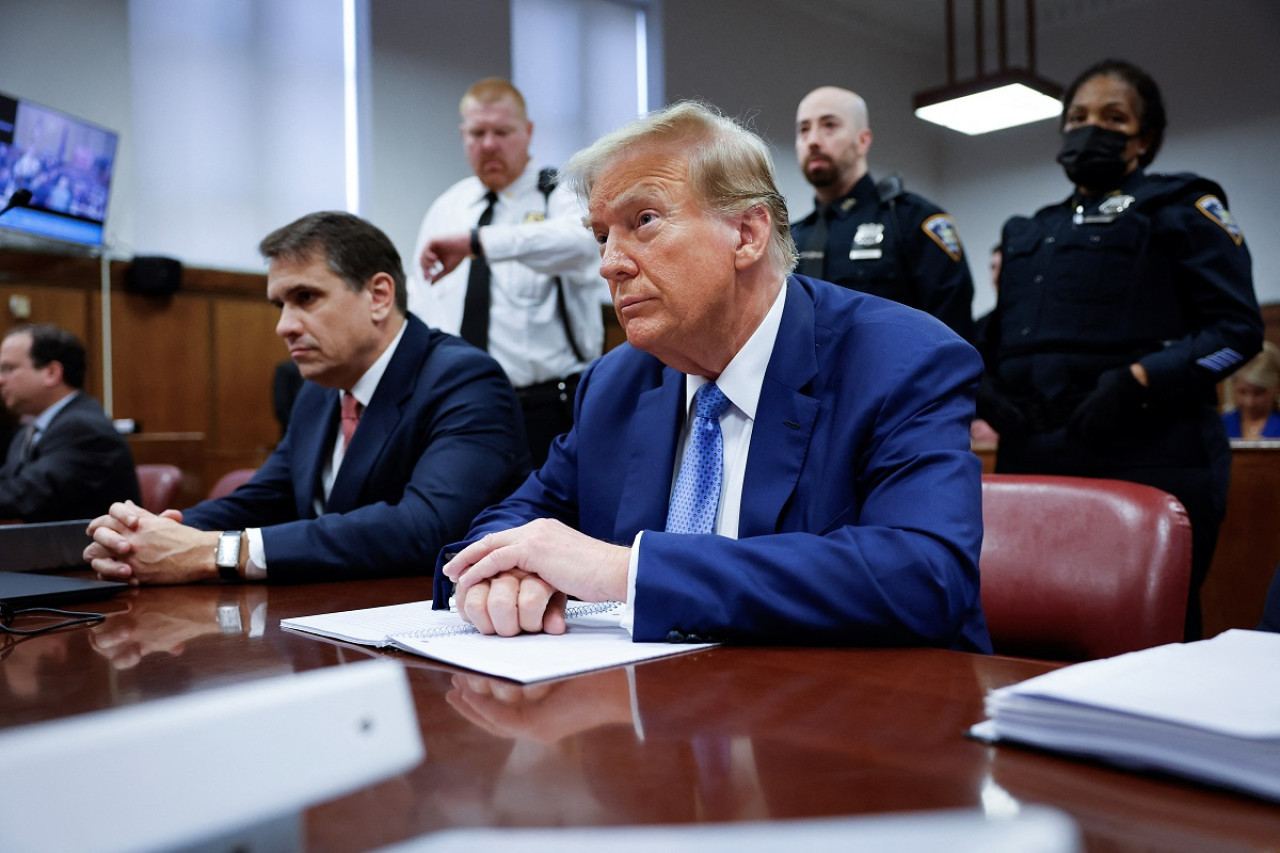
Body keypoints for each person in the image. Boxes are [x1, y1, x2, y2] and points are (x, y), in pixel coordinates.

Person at [433, 101, 990, 653]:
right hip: (655, 714)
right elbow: (520, 516)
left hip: (865, 716)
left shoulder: (900, 358)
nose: (609, 264)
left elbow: (925, 576)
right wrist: (503, 572)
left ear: (746, 234)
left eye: (643, 221)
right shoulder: (615, 382)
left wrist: (627, 571)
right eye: (602, 235)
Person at [977, 59, 1264, 640]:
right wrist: (981, 387)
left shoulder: (1183, 206)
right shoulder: (1032, 231)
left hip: (1149, 453)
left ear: (1145, 137)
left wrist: (1139, 379)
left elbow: (1237, 331)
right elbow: (997, 332)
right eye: (1078, 117)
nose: (1091, 129)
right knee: (1023, 632)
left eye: (1113, 117)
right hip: (1038, 459)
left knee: (1147, 639)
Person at [84, 211, 530, 584]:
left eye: (305, 298)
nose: (284, 326)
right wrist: (152, 533)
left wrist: (216, 551)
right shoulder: (317, 392)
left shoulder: (463, 378)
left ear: (378, 295)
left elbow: (427, 529)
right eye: (280, 305)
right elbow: (265, 497)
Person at [409, 78, 604, 467]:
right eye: (477, 133)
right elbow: (422, 301)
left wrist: (480, 243)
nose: (489, 144)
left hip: (549, 407)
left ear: (528, 132)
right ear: (463, 135)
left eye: (502, 132)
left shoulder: (561, 194)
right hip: (460, 404)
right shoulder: (449, 206)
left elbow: (582, 242)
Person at [791, 85, 975, 341]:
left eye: (829, 125)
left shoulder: (910, 220)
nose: (812, 140)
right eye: (803, 130)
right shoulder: (791, 239)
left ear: (863, 140)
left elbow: (952, 330)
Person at [0, 323, 141, 521]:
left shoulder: (85, 430)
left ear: (51, 373)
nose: (1, 380)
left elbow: (24, 495)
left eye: (8, 369)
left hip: (87, 550)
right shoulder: (29, 431)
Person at [1222, 341, 1280, 439]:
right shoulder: (1220, 425)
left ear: (1277, 386)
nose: (1250, 402)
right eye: (1242, 392)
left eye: (1259, 392)